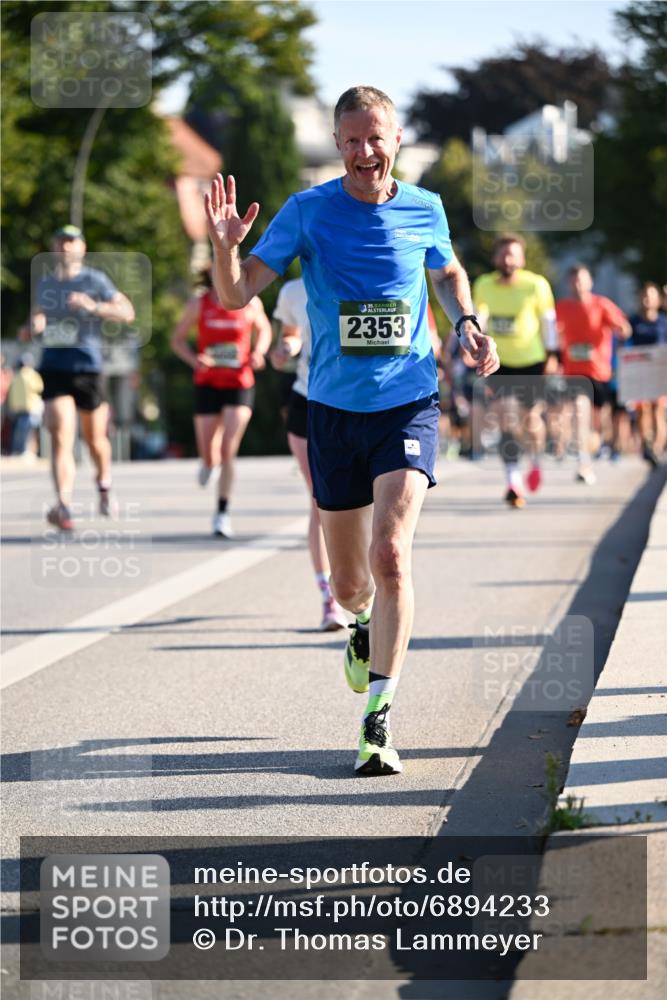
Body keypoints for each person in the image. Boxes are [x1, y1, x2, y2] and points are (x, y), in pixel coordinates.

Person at [205, 85, 499, 776]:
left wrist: (465, 320)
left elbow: (448, 269)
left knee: (391, 554)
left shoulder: (425, 208)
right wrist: (223, 249)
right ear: (338, 146)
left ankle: (378, 718)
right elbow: (234, 293)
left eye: (376, 138)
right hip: (333, 410)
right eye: (351, 141)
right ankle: (361, 626)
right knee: (348, 585)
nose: (364, 151)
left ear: (394, 140)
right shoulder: (307, 211)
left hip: (408, 401)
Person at [25, 224, 135, 530]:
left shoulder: (94, 280)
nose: (65, 247)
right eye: (60, 242)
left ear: (82, 248)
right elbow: (37, 315)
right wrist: (35, 324)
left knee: (95, 440)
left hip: (88, 366)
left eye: (71, 242)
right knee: (60, 435)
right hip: (55, 365)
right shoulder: (46, 283)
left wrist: (94, 306)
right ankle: (64, 505)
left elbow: (127, 311)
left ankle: (103, 486)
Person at [270, 277, 349, 631]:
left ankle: (360, 584)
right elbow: (291, 332)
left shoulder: (361, 273)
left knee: (361, 503)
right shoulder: (292, 291)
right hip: (308, 400)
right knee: (320, 499)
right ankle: (328, 598)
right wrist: (285, 348)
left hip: (357, 402)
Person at [170, 264, 271, 537]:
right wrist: (195, 361)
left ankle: (222, 513)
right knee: (209, 450)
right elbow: (177, 340)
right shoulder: (198, 304)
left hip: (239, 382)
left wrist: (259, 353)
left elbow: (265, 330)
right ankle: (206, 462)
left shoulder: (250, 303)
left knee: (228, 448)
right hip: (207, 382)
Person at [473, 235, 558, 508]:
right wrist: (472, 343)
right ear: (495, 258)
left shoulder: (536, 285)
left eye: (513, 255)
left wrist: (553, 355)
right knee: (505, 417)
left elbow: (549, 321)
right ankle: (513, 479)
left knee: (530, 421)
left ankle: (534, 459)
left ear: (521, 259)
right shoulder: (484, 284)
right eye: (503, 254)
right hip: (499, 361)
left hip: (531, 360)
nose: (508, 260)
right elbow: (479, 317)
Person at [556, 264, 631, 483]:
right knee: (580, 413)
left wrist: (623, 331)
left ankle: (591, 453)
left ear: (590, 282)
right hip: (574, 372)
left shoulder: (602, 305)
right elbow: (550, 331)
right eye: (574, 280)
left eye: (582, 280)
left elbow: (624, 327)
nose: (578, 284)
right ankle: (583, 463)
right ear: (569, 283)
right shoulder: (562, 307)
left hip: (599, 372)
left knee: (596, 424)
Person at [628, 282, 667, 467]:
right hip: (640, 372)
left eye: (651, 296)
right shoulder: (633, 322)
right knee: (643, 409)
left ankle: (658, 449)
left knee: (658, 410)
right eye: (644, 296)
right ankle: (647, 445)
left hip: (659, 371)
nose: (647, 300)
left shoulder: (663, 322)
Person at [6, 353, 44, 457]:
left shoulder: (16, 376)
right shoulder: (32, 375)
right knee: (28, 432)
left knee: (19, 431)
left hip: (17, 408)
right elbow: (40, 389)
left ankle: (19, 451)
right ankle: (24, 451)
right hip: (31, 408)